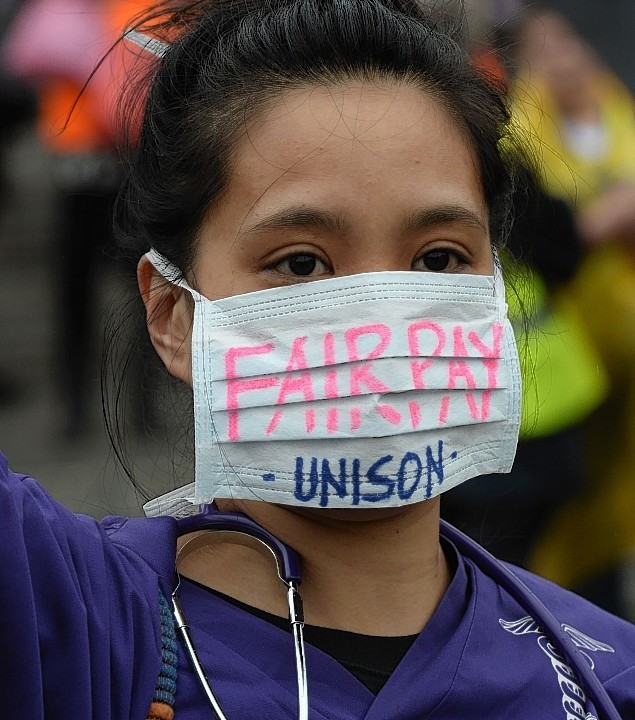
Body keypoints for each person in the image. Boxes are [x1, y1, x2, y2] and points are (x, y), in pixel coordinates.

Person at [1, 2, 634, 719]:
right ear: (173, 316)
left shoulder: (603, 675)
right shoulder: (65, 614)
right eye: (300, 262)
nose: (380, 313)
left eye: (437, 258)